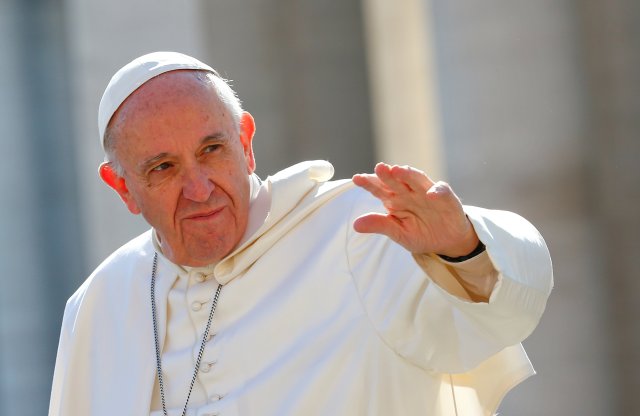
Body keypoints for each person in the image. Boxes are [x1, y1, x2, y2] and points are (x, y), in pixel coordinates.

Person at [49, 51, 553, 416]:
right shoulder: (99, 305)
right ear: (123, 188)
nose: (200, 189)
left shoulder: (361, 231)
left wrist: (461, 246)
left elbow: (507, 314)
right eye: (163, 167)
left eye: (212, 150)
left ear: (245, 143)